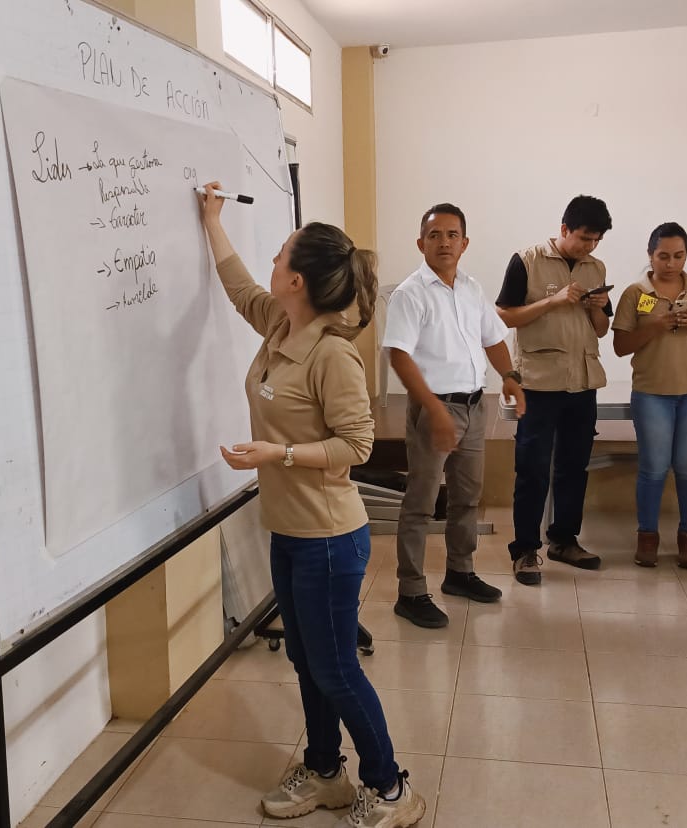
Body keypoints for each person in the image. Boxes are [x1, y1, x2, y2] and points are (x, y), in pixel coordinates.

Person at [197, 182, 425, 827]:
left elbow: (356, 445)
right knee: (307, 661)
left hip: (329, 538)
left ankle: (391, 789)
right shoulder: (280, 323)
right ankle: (325, 772)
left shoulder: (332, 355)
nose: (272, 261)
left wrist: (280, 453)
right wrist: (212, 221)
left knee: (337, 669)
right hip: (290, 532)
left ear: (297, 280)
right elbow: (239, 286)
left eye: (280, 254)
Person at [382, 203, 524, 627]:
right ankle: (410, 592)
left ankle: (460, 573)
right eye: (435, 235)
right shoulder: (410, 293)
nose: (444, 242)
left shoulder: (471, 288)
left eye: (452, 235)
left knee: (467, 497)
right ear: (420, 243)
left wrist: (510, 378)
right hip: (435, 409)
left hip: (474, 406)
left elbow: (493, 338)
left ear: (464, 243)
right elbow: (399, 356)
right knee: (422, 503)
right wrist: (433, 409)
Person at [496, 195, 614, 583]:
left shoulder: (596, 268)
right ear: (564, 229)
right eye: (584, 238)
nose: (589, 246)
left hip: (583, 381)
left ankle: (563, 540)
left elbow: (601, 330)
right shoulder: (526, 261)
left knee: (574, 466)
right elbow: (504, 315)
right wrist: (554, 300)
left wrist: (596, 307)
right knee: (532, 468)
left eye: (596, 240)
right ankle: (525, 550)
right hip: (539, 382)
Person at [612, 223, 687, 568]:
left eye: (678, 256)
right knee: (654, 468)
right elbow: (620, 346)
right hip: (652, 394)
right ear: (650, 255)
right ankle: (647, 537)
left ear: (686, 255)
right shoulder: (635, 293)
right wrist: (656, 326)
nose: (671, 263)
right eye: (663, 256)